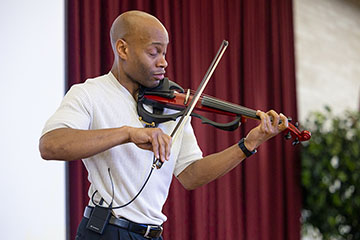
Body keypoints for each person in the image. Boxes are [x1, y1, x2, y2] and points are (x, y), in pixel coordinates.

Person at [39, 10, 288, 240]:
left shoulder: (172, 106)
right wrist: (128, 133)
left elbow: (191, 175)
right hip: (106, 230)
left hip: (153, 234)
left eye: (165, 53)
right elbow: (51, 145)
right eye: (153, 52)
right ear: (122, 49)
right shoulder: (90, 93)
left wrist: (249, 144)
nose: (163, 63)